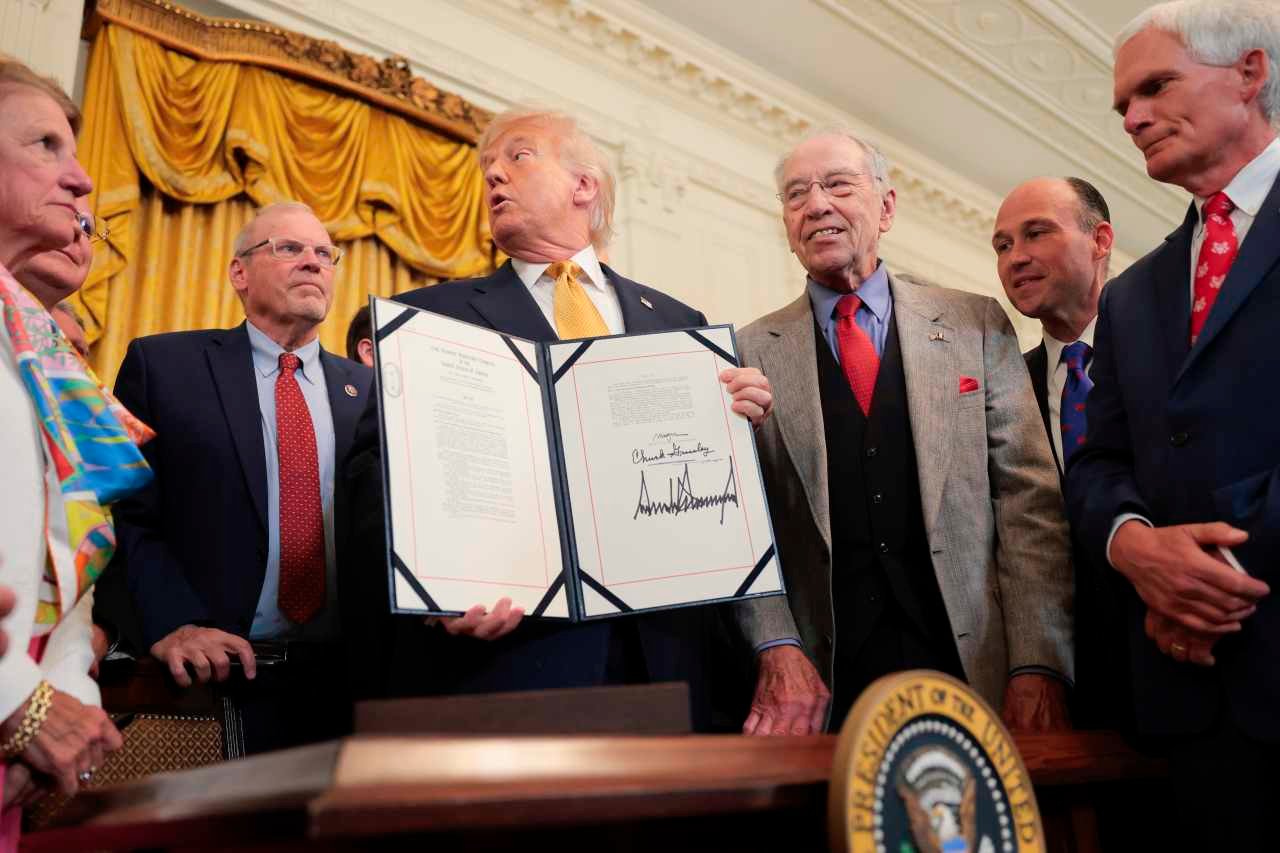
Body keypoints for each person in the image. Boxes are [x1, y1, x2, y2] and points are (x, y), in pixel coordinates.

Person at [348, 108, 774, 731]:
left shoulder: (680, 324)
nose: (494, 175)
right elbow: (369, 477)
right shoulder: (428, 321)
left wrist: (738, 427)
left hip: (670, 661)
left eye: (518, 156)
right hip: (511, 664)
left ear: (584, 185)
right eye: (487, 167)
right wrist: (431, 589)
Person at [734, 129, 1074, 733]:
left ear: (886, 207)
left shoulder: (976, 324)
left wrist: (1037, 662)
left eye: (838, 185)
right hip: (828, 680)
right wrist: (776, 645)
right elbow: (740, 526)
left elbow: (1029, 503)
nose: (816, 204)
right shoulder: (748, 351)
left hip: (974, 665)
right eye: (796, 194)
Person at [1068, 1, 1280, 844]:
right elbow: (1096, 464)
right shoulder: (1130, 296)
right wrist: (1135, 549)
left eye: (1154, 87)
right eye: (1123, 105)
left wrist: (1196, 581)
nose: (1132, 118)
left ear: (1250, 73)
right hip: (1194, 715)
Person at [106, 202, 373, 754]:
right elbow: (125, 513)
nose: (312, 262)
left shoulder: (371, 391)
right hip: (210, 684)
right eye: (289, 248)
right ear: (239, 273)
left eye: (325, 253)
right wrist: (173, 623)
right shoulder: (164, 367)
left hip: (351, 689)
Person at [0, 57, 148, 843]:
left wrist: (62, 692)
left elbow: (68, 557)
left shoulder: (35, 355)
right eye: (45, 146)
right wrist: (17, 705)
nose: (83, 181)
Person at [991, 177, 1119, 727]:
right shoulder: (1001, 387)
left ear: (1100, 240)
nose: (1015, 258)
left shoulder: (1168, 353)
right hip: (1058, 678)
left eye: (1036, 233)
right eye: (1002, 245)